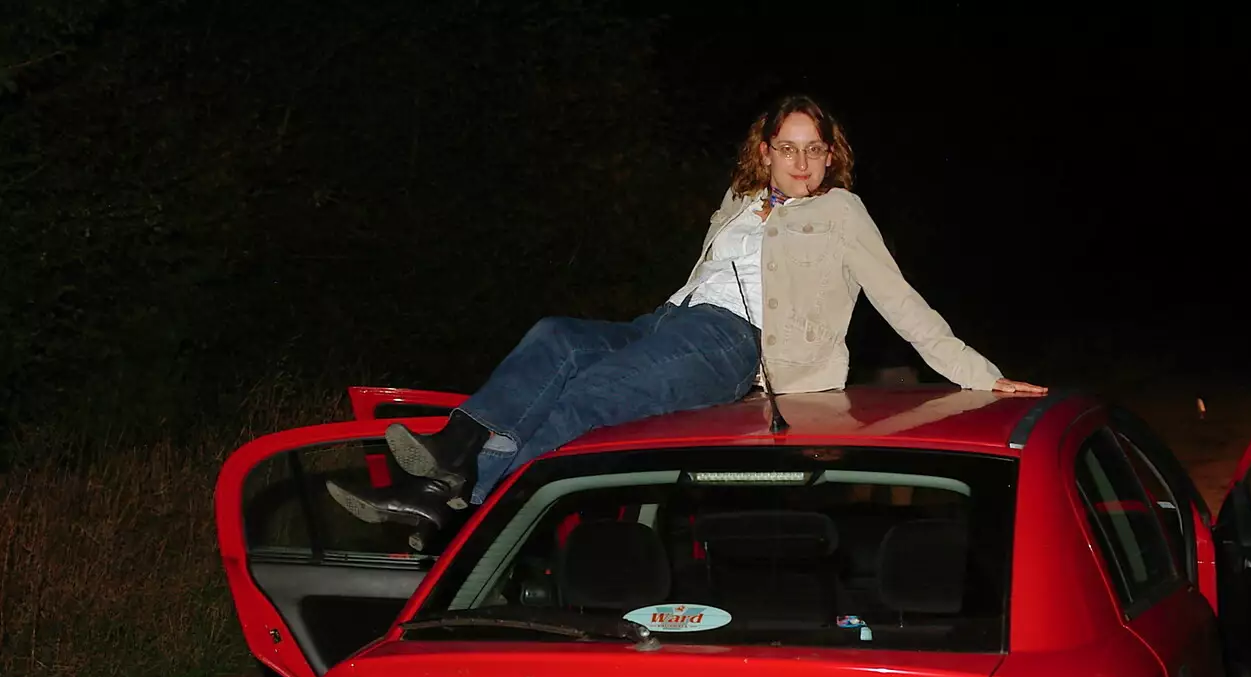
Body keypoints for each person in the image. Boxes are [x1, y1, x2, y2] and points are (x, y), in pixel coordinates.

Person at [327, 93, 1046, 547]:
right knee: (553, 336)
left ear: (831, 157)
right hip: (670, 319)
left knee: (592, 394)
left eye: (813, 148)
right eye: (786, 146)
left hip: (734, 344)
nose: (800, 160)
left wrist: (981, 376)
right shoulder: (738, 201)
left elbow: (902, 301)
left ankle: (470, 511)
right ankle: (448, 460)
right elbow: (701, 278)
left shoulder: (840, 213)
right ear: (764, 152)